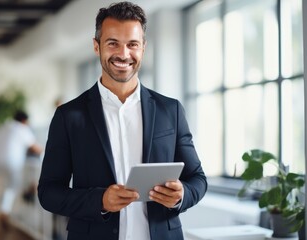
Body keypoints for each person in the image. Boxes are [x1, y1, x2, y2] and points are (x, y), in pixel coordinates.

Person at [37, 2, 207, 240]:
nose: (123, 54)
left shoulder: (170, 110)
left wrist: (181, 195)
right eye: (113, 43)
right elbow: (48, 192)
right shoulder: (69, 116)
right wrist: (101, 201)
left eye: (132, 44)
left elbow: (197, 179)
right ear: (96, 46)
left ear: (143, 48)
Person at [0, 110, 42, 228]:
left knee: (6, 187)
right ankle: (5, 213)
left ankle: (5, 210)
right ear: (24, 120)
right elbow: (35, 148)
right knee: (13, 187)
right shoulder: (22, 128)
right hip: (12, 162)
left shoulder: (5, 126)